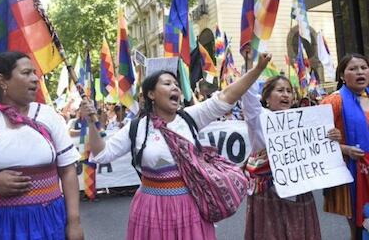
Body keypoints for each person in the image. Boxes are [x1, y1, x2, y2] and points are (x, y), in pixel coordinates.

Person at [80, 53, 272, 240]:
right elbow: (102, 154)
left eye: (176, 85)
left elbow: (226, 95)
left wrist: (257, 70)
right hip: (151, 209)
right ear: (151, 94)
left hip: (190, 206)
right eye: (167, 83)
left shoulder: (190, 118)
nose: (176, 88)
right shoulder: (137, 127)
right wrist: (90, 122)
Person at [0, 52, 83, 240]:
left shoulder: (48, 116)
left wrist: (74, 223)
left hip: (47, 222)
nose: (35, 79)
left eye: (35, 73)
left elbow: (68, 170)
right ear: (2, 80)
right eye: (26, 73)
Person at [241, 48, 341, 240]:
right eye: (280, 91)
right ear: (267, 98)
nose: (286, 95)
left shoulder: (304, 120)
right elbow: (247, 95)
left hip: (299, 189)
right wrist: (251, 66)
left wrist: (333, 136)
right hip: (269, 192)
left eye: (289, 91)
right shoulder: (259, 117)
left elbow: (319, 148)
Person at [321, 53, 369, 240]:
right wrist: (345, 149)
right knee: (361, 228)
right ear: (342, 75)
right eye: (353, 69)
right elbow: (314, 140)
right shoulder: (333, 102)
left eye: (363, 68)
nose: (360, 72)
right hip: (351, 174)